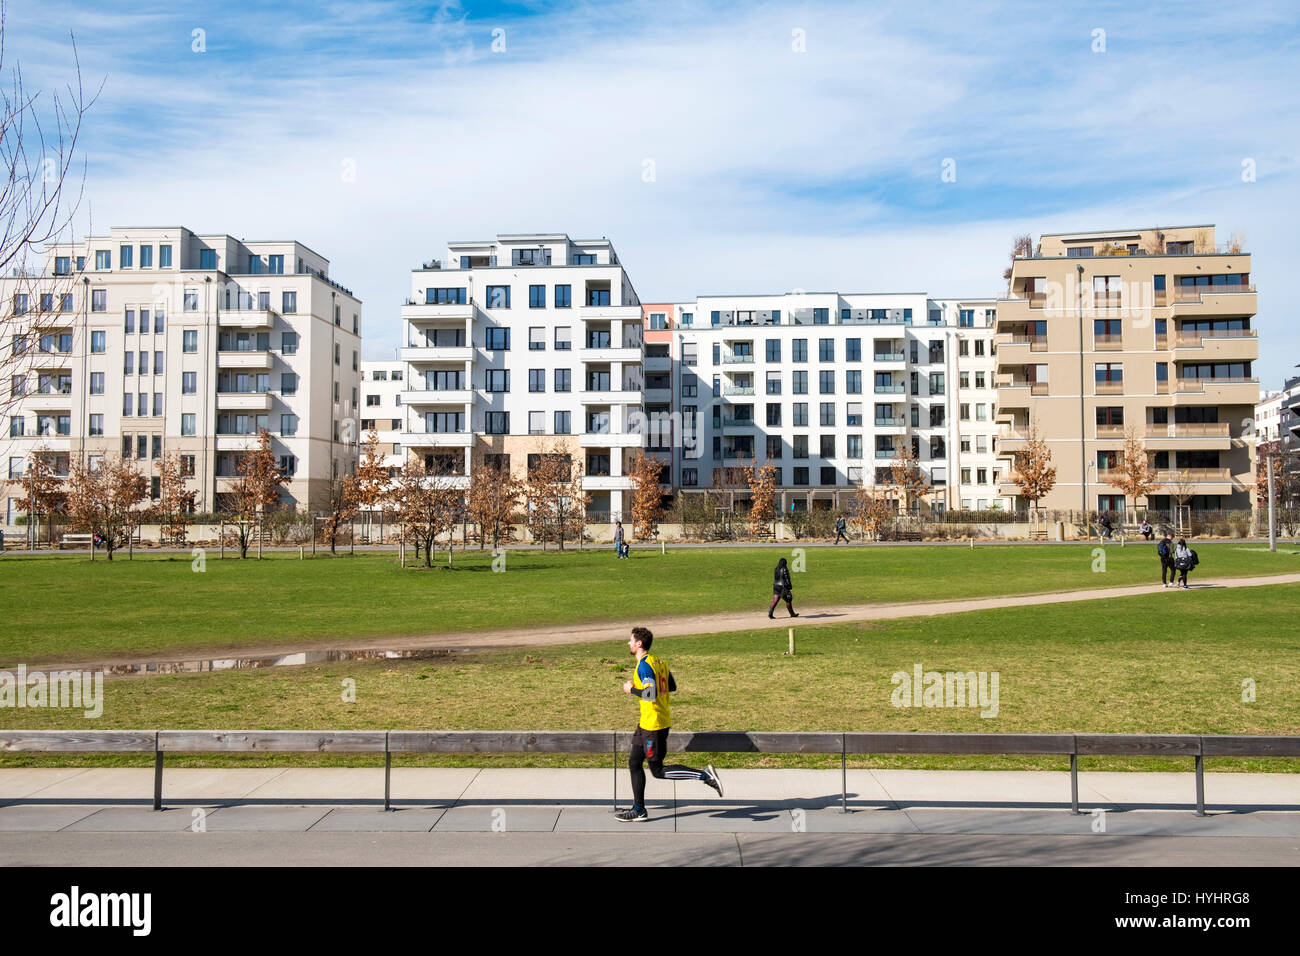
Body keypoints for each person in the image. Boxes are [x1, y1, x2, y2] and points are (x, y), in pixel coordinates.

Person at [616, 627, 722, 822]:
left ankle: (704, 776)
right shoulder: (660, 662)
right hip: (648, 721)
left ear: (639, 643)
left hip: (654, 725)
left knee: (657, 770)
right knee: (634, 762)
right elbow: (671, 686)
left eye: (631, 640)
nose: (628, 643)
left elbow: (650, 694)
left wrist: (631, 689)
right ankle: (638, 809)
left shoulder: (644, 666)